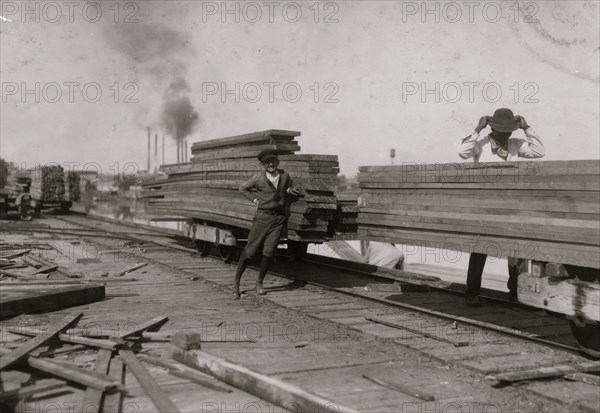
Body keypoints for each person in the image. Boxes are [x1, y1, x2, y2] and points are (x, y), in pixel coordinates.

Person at [457, 108, 545, 307]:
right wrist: (478, 128)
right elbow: (462, 153)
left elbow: (539, 152)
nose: (505, 135)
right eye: (501, 131)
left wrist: (527, 128)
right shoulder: (481, 144)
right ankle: (471, 292)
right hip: (486, 205)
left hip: (510, 204)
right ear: (492, 128)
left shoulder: (516, 144)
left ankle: (515, 292)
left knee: (515, 248)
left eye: (509, 131)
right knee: (480, 248)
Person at [231, 149, 300, 299]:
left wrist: (289, 190)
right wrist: (255, 200)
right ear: (263, 164)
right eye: (267, 162)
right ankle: (236, 283)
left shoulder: (285, 175)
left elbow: (285, 189)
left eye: (273, 161)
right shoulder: (258, 178)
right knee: (250, 251)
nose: (271, 164)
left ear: (277, 162)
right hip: (262, 218)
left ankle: (259, 283)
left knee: (269, 252)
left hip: (279, 219)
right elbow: (242, 188)